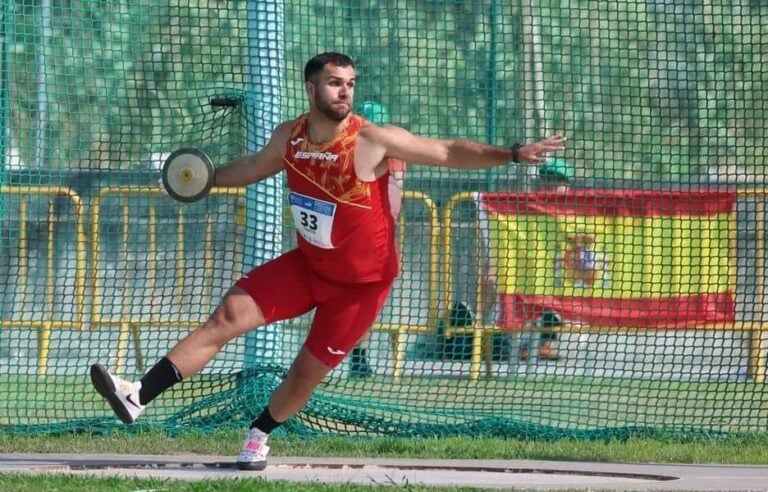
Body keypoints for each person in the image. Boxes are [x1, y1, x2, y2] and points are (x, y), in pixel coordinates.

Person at [88, 52, 566, 471]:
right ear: (311, 86)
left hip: (360, 288)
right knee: (227, 315)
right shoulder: (290, 136)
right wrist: (200, 180)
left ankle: (259, 434)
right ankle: (137, 396)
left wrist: (512, 154)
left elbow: (444, 150)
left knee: (303, 374)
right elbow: (252, 168)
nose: (345, 91)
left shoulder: (371, 139)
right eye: (336, 82)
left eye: (351, 83)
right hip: (308, 267)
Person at [348, 100, 406, 379]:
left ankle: (358, 355)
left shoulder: (393, 153)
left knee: (367, 302)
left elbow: (395, 196)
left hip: (379, 236)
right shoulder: (348, 148)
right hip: (354, 235)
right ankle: (350, 353)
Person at [519, 158, 574, 361]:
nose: (551, 186)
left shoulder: (578, 214)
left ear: (567, 186)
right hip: (531, 279)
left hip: (564, 281)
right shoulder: (526, 211)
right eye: (547, 180)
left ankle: (545, 342)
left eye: (557, 181)